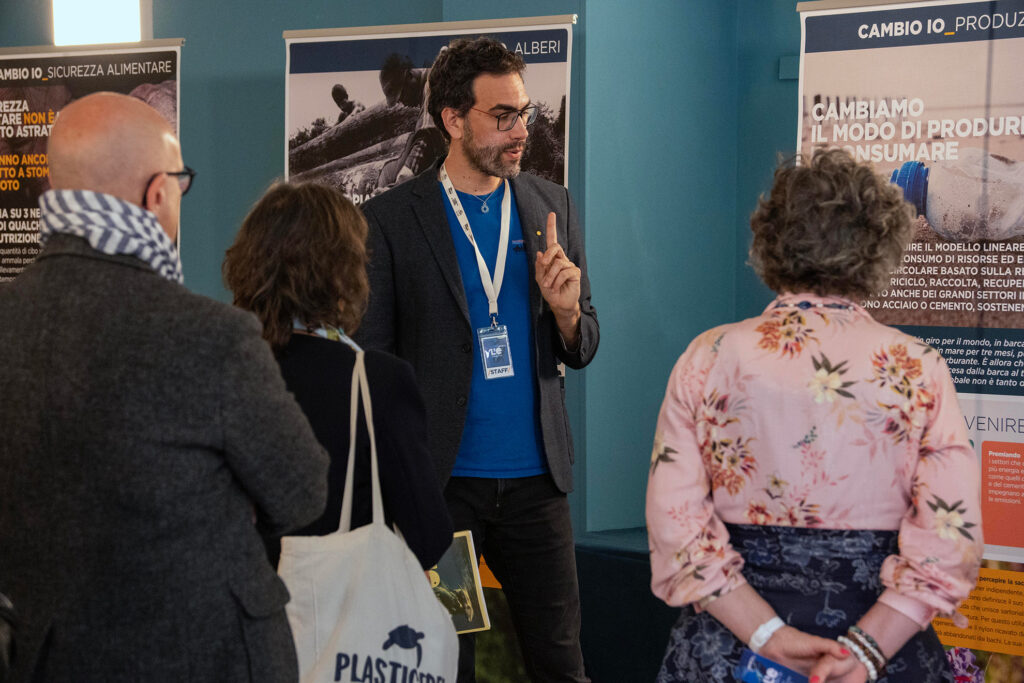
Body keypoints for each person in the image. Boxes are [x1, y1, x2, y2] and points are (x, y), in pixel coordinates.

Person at [0, 92, 330, 682]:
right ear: (158, 193)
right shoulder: (212, 336)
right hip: (210, 654)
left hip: (49, 658)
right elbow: (301, 490)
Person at [646, 148, 983, 683]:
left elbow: (675, 525)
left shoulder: (707, 356)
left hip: (730, 652)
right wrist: (867, 651)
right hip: (882, 652)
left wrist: (767, 637)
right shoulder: (919, 367)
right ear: (882, 243)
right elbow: (950, 534)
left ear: (770, 238)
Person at [355, 36, 599, 683]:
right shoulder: (391, 220)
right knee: (445, 658)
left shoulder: (554, 205)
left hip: (537, 488)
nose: (521, 129)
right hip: (442, 492)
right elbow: (372, 359)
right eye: (503, 116)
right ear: (453, 120)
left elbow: (584, 343)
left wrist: (568, 312)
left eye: (524, 112)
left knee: (560, 662)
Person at [223, 181, 453, 569]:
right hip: (342, 615)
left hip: (238, 612)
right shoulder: (377, 381)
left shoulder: (216, 371)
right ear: (343, 272)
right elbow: (429, 538)